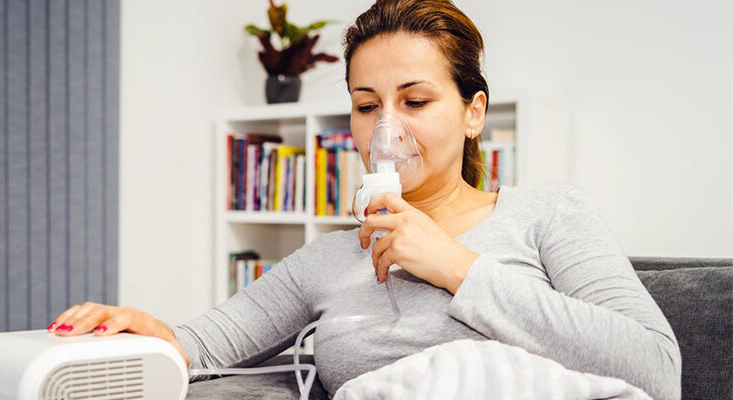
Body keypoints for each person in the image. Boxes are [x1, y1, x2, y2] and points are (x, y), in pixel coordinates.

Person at [46, 0, 681, 398]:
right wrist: (145, 332)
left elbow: (656, 367)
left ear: (473, 113)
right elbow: (200, 346)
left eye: (416, 100)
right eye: (367, 105)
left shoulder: (549, 214)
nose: (387, 130)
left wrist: (456, 266)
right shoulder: (324, 260)